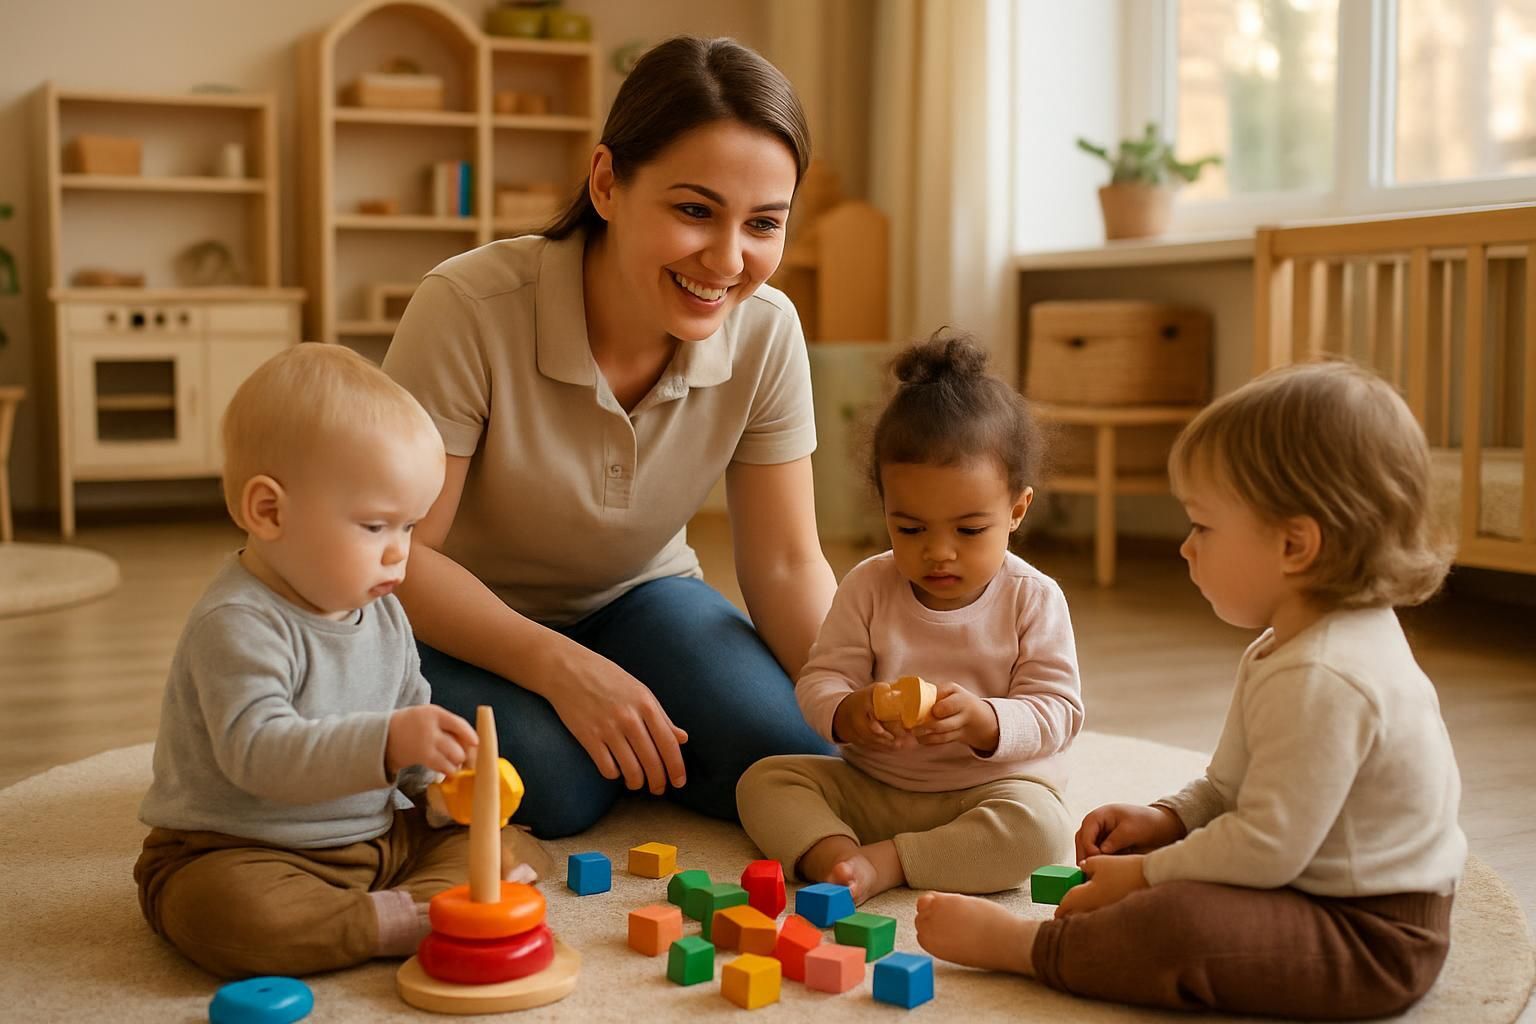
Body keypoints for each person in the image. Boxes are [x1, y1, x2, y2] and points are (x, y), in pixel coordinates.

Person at [382, 36, 836, 839]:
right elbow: (404, 555)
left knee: (799, 756)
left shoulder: (767, 332)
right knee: (551, 787)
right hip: (455, 615)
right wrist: (561, 669)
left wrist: (854, 701)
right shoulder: (467, 307)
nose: (728, 260)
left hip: (641, 596)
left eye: (763, 223)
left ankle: (636, 733)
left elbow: (786, 562)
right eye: (694, 210)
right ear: (607, 183)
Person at [915, 360, 1464, 1019]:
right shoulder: (1287, 646)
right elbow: (1233, 790)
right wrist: (1170, 819)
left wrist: (1145, 874)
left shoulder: (1326, 676)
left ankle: (1032, 948)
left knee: (1179, 923)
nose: (1185, 549)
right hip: (1308, 884)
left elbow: (1263, 847)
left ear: (1296, 545)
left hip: (1371, 936)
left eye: (1202, 526)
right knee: (1181, 882)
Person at [134, 345, 549, 979]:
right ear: (268, 512)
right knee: (231, 916)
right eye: (375, 526)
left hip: (376, 839)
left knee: (500, 840)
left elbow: (408, 718)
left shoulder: (382, 610)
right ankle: (399, 920)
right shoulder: (239, 623)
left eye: (409, 527)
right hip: (240, 849)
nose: (398, 555)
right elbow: (258, 753)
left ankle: (426, 902)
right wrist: (388, 741)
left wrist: (439, 790)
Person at [737, 331, 1083, 904]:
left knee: (1043, 830)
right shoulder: (871, 585)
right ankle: (835, 855)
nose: (938, 552)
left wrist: (986, 721)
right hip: (877, 786)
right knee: (765, 781)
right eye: (911, 529)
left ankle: (890, 862)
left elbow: (1059, 711)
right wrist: (851, 711)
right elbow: (822, 678)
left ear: (1017, 509)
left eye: (969, 530)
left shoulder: (1032, 597)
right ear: (886, 509)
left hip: (988, 791)